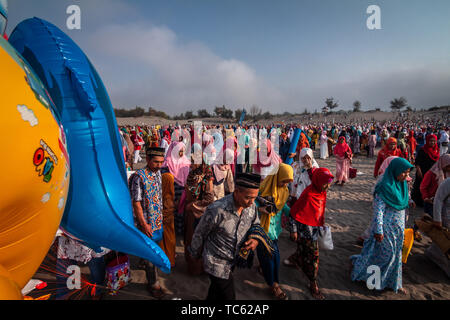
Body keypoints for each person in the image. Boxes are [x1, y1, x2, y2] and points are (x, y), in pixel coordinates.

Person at [188, 173, 265, 300]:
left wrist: (254, 239)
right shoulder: (217, 210)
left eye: (254, 198)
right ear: (237, 191)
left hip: (233, 259)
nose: (251, 202)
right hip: (215, 261)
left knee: (216, 292)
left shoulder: (252, 207)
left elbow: (256, 224)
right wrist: (195, 253)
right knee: (228, 296)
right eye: (248, 197)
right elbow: (200, 233)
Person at [350, 157, 414, 294]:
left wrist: (410, 201)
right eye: (404, 172)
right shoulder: (384, 187)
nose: (406, 175)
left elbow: (405, 198)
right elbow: (378, 210)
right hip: (386, 228)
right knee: (386, 256)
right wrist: (379, 230)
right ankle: (374, 281)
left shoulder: (402, 185)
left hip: (399, 228)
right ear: (395, 170)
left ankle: (392, 283)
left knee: (396, 256)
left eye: (408, 172)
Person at [285, 168, 335, 300]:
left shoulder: (321, 192)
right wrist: (294, 231)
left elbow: (319, 210)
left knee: (303, 250)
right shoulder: (308, 195)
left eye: (328, 183)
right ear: (318, 181)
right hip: (305, 231)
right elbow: (293, 213)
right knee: (313, 257)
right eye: (326, 183)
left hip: (315, 229)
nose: (327, 186)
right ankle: (313, 283)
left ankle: (294, 259)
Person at [129, 147, 166, 298]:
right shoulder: (139, 177)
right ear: (148, 160)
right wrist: (144, 224)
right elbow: (136, 203)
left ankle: (142, 261)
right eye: (156, 162)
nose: (159, 165)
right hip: (145, 222)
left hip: (157, 220)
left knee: (151, 247)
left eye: (161, 162)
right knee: (152, 253)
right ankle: (153, 284)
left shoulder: (158, 174)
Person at [257, 163, 293, 300]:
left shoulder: (284, 191)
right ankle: (274, 285)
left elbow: (284, 207)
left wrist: (295, 213)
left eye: (288, 182)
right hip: (262, 230)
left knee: (273, 258)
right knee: (272, 258)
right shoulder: (262, 190)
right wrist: (261, 209)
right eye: (284, 181)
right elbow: (250, 206)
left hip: (275, 231)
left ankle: (270, 278)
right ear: (277, 176)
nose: (285, 184)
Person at [184, 155, 215, 275]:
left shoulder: (207, 178)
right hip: (191, 213)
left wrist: (192, 205)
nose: (191, 164)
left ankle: (199, 269)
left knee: (197, 241)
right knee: (190, 239)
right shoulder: (192, 175)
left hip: (200, 214)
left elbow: (209, 199)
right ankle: (192, 267)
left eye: (193, 162)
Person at [55, 231, 108, 300]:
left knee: (96, 269)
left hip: (90, 236)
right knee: (63, 271)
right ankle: (62, 295)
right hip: (67, 236)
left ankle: (96, 291)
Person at [424, 178, 450, 277]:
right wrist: (437, 219)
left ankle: (432, 253)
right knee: (444, 241)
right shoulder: (447, 182)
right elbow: (438, 199)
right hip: (446, 217)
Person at [412, 134, 440, 207]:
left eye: (434, 141)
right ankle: (419, 202)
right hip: (423, 171)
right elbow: (417, 161)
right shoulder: (423, 150)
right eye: (431, 141)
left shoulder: (437, 150)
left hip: (433, 173)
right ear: (427, 141)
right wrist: (418, 170)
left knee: (430, 187)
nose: (432, 143)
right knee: (421, 186)